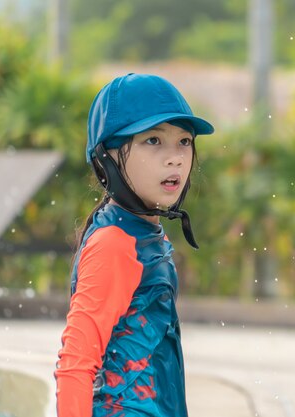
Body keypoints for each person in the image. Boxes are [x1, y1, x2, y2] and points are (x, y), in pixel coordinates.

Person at [54, 73, 214, 417]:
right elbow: (76, 364)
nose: (175, 157)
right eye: (153, 140)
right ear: (106, 158)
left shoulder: (144, 232)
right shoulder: (114, 243)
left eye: (184, 141)